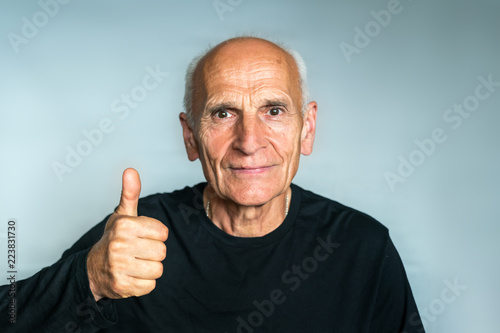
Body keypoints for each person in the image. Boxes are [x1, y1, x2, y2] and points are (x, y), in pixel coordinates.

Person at [0, 36, 425, 332]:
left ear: (307, 128)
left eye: (273, 110)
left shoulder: (362, 247)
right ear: (190, 136)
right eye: (223, 113)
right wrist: (88, 277)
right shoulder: (134, 235)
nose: (249, 141)